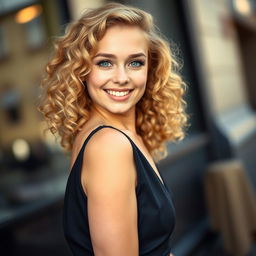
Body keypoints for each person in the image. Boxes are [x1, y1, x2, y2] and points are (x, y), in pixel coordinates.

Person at [38, 2, 189, 256]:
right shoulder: (109, 146)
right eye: (105, 63)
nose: (121, 77)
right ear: (82, 70)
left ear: (150, 68)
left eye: (135, 63)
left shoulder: (121, 136)